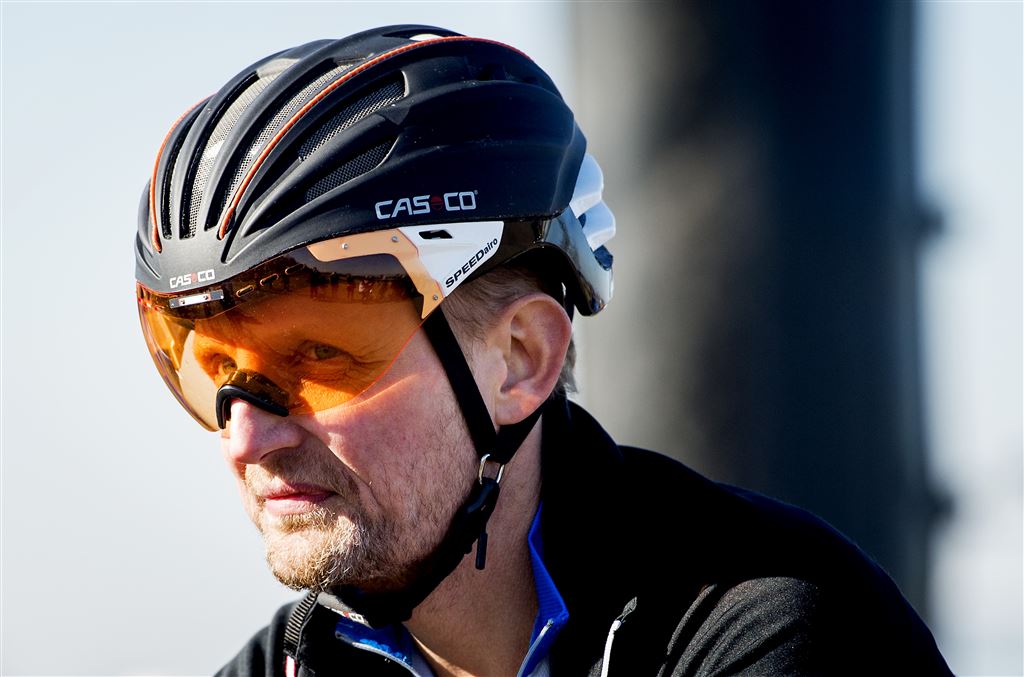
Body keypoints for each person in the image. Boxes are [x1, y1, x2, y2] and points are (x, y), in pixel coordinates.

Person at [134, 24, 952, 676]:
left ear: (520, 359)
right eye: (215, 372)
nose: (245, 435)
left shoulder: (772, 632)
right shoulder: (280, 664)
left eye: (319, 356)